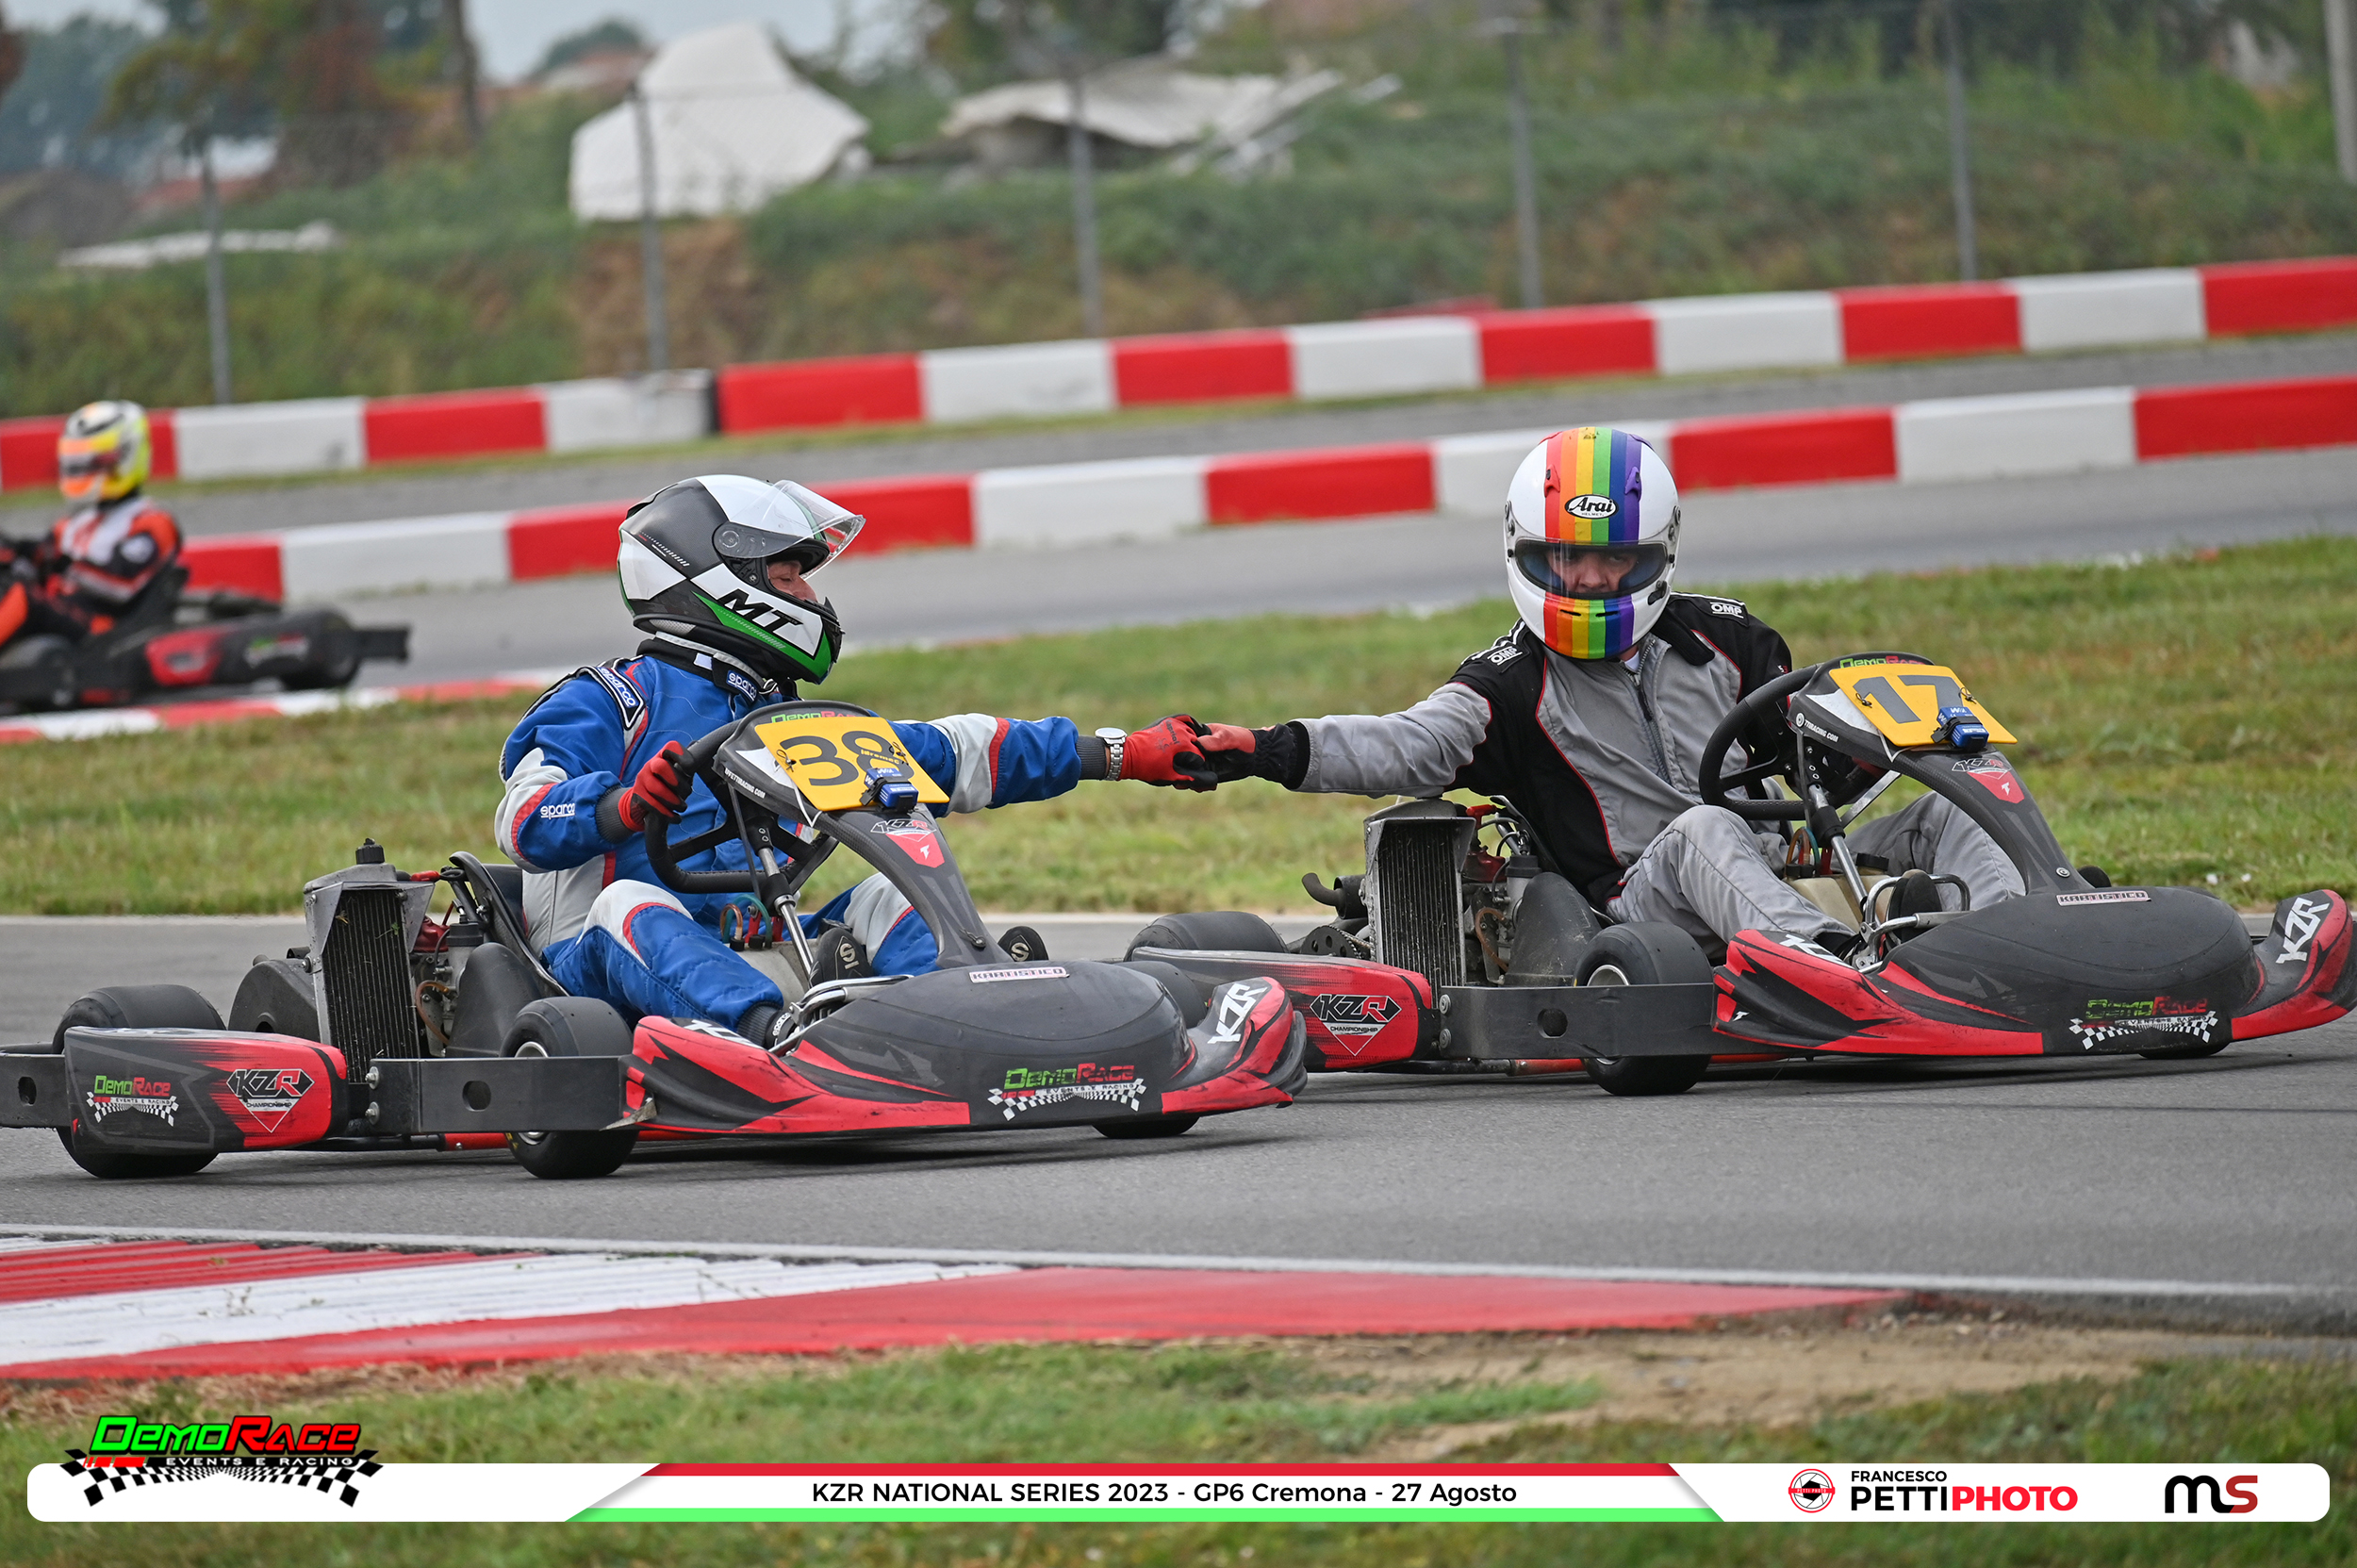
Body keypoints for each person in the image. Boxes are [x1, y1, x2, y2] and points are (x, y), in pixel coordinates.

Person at [1135, 426, 2020, 960]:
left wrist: (1869, 743)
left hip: (1777, 868)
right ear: (1528, 553)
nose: (1592, 581)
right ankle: (1839, 965)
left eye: (1613, 559)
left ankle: (2018, 938)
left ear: (1656, 555)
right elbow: (1401, 745)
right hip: (1636, 906)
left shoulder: (1732, 639)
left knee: (1964, 792)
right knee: (1704, 829)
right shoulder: (1507, 685)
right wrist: (1265, 747)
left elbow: (1808, 755)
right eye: (1569, 559)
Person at [494, 473, 1202, 1046]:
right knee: (632, 902)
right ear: (717, 578)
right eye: (788, 575)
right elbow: (523, 820)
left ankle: (972, 1018)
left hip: (759, 947)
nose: (810, 595)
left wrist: (1124, 754)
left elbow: (956, 752)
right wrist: (620, 807)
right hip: (598, 967)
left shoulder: (781, 718)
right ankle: (775, 1041)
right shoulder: (610, 699)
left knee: (887, 896)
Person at [0, 402, 182, 652]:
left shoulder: (153, 522)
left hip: (105, 631)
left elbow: (120, 584)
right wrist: (14, 554)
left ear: (127, 456)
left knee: (23, 598)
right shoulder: (73, 525)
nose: (85, 472)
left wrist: (61, 563)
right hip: (64, 617)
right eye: (78, 464)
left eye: (97, 463)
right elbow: (40, 564)